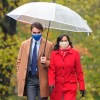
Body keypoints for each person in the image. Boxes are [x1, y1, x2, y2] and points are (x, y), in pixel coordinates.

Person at [17, 22, 53, 100]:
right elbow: (19, 60)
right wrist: (19, 72)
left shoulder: (49, 45)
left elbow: (53, 63)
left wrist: (46, 62)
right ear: (31, 32)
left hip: (43, 79)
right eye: (34, 33)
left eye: (38, 32)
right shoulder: (24, 44)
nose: (36, 34)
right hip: (30, 78)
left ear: (42, 32)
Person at [48, 34, 85, 100]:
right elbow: (52, 70)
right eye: (62, 41)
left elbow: (79, 72)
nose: (64, 42)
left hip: (70, 86)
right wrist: (51, 83)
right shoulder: (54, 54)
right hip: (56, 86)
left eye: (65, 40)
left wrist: (82, 86)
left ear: (69, 42)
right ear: (59, 42)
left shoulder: (75, 53)